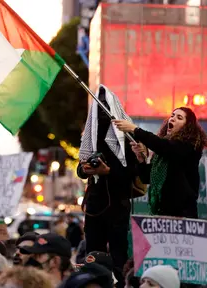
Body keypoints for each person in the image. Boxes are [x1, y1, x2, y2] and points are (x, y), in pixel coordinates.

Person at [77, 85, 139, 287]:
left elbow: (132, 172)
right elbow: (81, 167)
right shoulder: (90, 135)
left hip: (118, 206)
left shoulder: (127, 137)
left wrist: (108, 172)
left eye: (105, 105)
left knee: (118, 255)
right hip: (95, 206)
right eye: (98, 105)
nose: (102, 109)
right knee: (93, 255)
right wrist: (85, 169)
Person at [113, 107, 207, 218]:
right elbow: (147, 177)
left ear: (187, 126)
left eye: (179, 117)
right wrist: (140, 158)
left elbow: (163, 146)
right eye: (172, 115)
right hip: (162, 213)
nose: (173, 119)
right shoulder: (163, 151)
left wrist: (135, 129)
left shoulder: (190, 146)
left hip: (182, 215)